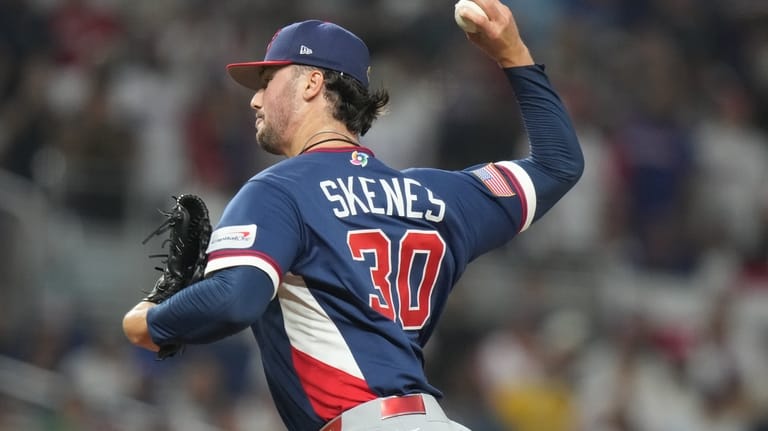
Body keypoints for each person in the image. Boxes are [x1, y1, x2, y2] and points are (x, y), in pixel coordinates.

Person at [122, 0, 584, 429]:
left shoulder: (278, 190)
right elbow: (558, 164)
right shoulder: (438, 194)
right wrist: (513, 53)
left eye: (267, 81)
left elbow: (235, 299)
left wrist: (151, 320)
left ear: (311, 83)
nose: (255, 100)